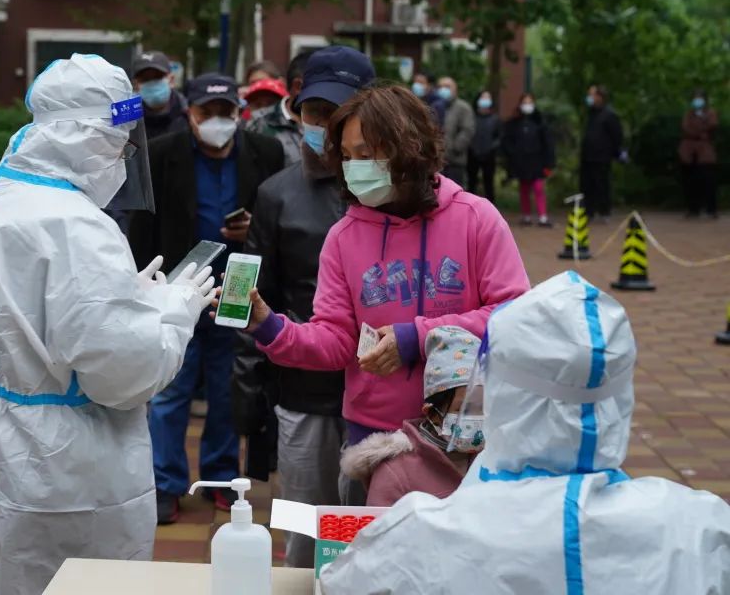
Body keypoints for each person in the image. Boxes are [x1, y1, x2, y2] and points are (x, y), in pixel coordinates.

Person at [0, 54, 217, 595]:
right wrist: (173, 309)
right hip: (53, 467)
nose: (123, 157)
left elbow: (22, 322)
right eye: (120, 142)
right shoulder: (78, 227)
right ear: (94, 137)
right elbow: (124, 374)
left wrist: (124, 297)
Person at [322, 271, 730, 594]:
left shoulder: (420, 533)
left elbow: (338, 582)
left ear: (499, 390)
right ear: (621, 395)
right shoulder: (699, 529)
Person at [240, 85, 529, 484]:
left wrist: (417, 338)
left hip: (467, 432)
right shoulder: (343, 238)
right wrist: (270, 327)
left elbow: (514, 315)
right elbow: (336, 339)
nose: (355, 168)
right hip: (373, 437)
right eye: (346, 156)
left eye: (366, 154)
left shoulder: (476, 218)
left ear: (409, 147)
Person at [233, 46, 375, 567]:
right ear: (297, 112)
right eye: (315, 112)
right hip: (303, 396)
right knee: (304, 535)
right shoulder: (275, 195)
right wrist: (247, 393)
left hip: (382, 397)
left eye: (338, 113)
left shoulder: (394, 194)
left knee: (369, 535)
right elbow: (246, 297)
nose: (325, 126)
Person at [130, 73, 284, 524]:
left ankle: (221, 478)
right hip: (178, 285)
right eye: (207, 112)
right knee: (170, 390)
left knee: (227, 389)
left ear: (239, 113)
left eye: (226, 112)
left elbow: (276, 215)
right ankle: (165, 483)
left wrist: (254, 227)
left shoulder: (265, 152)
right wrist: (142, 286)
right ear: (190, 114)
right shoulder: (163, 153)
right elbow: (142, 223)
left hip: (238, 288)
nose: (218, 120)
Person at [340, 326, 483, 507]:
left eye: (485, 408)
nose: (479, 418)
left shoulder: (498, 462)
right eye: (465, 409)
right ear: (431, 412)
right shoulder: (396, 473)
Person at [245, 51, 314, 166]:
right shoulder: (256, 125)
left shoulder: (336, 120)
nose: (263, 109)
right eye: (257, 104)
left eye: (271, 102)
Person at [503, 92, 556, 227]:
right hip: (521, 162)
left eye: (529, 102)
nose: (527, 105)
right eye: (525, 102)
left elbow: (548, 143)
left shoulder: (540, 122)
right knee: (524, 189)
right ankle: (526, 215)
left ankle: (542, 216)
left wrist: (549, 164)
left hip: (537, 161)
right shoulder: (514, 123)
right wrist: (513, 156)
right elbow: (508, 142)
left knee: (538, 188)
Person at [580, 84, 624, 222]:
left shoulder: (609, 115)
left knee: (602, 184)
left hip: (602, 157)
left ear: (600, 97)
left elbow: (617, 136)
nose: (589, 98)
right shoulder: (591, 114)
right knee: (587, 185)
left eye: (592, 95)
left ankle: (604, 211)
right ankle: (589, 211)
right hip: (588, 156)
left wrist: (615, 153)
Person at [129, 51, 188, 140]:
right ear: (136, 85)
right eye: (145, 79)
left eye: (158, 76)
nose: (152, 82)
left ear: (171, 80)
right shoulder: (128, 122)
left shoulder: (188, 114)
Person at [679, 88, 718, 219]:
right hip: (688, 150)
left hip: (705, 150)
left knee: (708, 180)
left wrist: (700, 128)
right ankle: (693, 209)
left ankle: (711, 209)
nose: (697, 100)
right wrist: (701, 130)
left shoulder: (710, 113)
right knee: (690, 180)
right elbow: (686, 128)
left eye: (700, 98)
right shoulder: (688, 114)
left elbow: (713, 125)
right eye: (695, 98)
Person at [436, 77, 475, 187]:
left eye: (447, 87)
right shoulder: (434, 107)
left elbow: (467, 130)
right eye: (440, 87)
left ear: (455, 89)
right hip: (436, 163)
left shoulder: (463, 108)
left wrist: (454, 148)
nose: (443, 89)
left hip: (455, 162)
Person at [466, 90, 501, 203]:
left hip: (489, 155)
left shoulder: (495, 119)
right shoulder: (471, 117)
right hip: (472, 154)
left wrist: (491, 148)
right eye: (483, 97)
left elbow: (499, 137)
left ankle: (491, 207)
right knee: (471, 182)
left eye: (487, 98)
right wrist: (471, 146)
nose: (485, 100)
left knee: (489, 183)